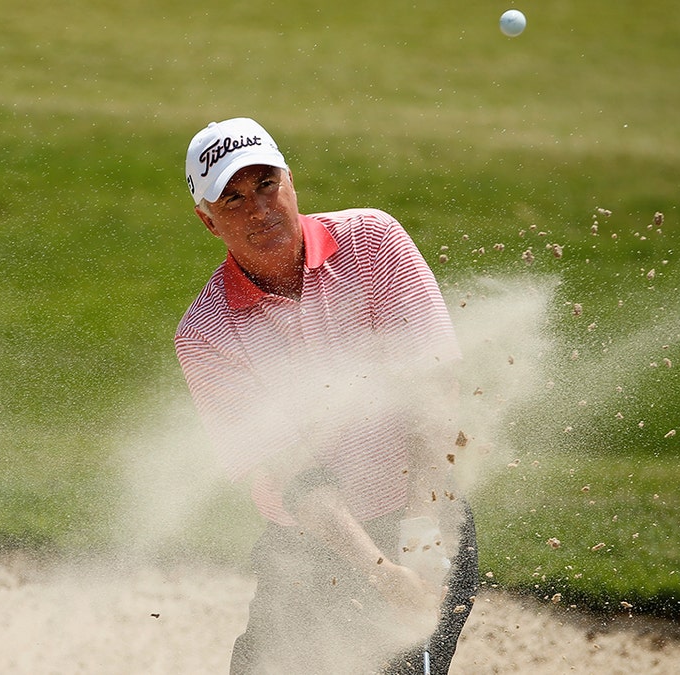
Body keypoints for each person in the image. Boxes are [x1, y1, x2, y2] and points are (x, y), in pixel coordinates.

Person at [174, 117, 477, 674]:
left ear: (291, 180)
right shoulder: (206, 333)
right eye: (233, 198)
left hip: (423, 510)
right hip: (309, 547)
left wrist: (420, 539)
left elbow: (433, 396)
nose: (259, 209)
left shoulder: (372, 243)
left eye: (266, 184)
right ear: (208, 221)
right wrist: (381, 570)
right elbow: (293, 476)